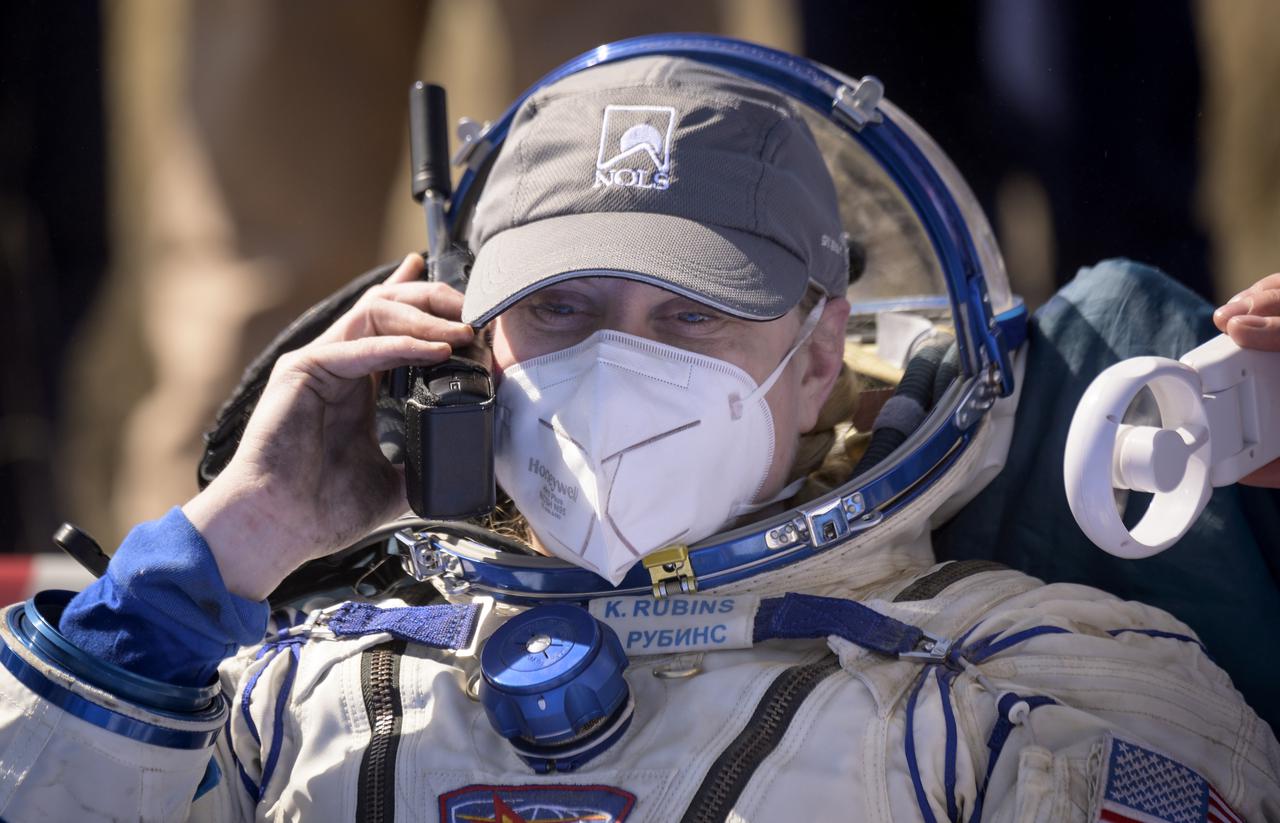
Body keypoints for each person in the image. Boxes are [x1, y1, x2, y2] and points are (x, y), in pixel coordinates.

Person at [1, 46, 1279, 822]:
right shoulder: (304, 679)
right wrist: (232, 545)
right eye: (558, 307)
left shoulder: (1022, 686)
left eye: (690, 312)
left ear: (819, 349)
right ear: (463, 338)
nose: (619, 363)